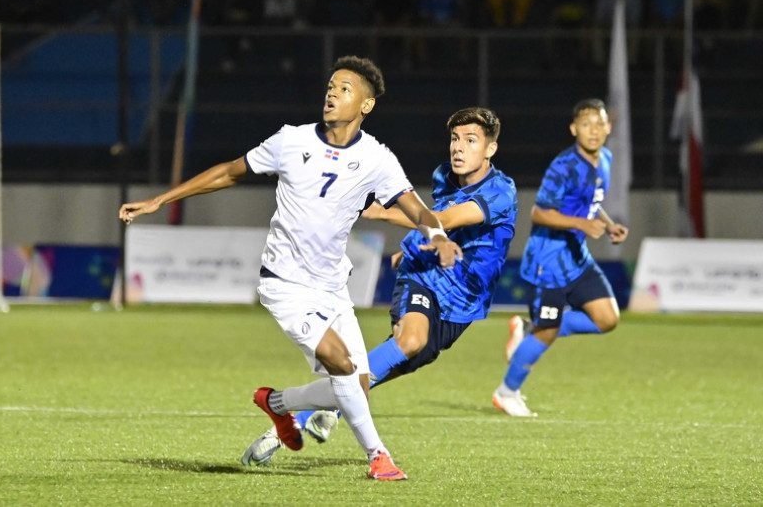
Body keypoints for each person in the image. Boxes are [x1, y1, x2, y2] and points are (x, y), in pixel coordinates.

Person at [118, 56, 462, 481]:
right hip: (285, 283)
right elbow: (229, 172)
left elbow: (418, 210)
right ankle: (379, 457)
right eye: (331, 86)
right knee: (340, 364)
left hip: (332, 285)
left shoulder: (377, 158)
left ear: (366, 105)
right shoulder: (291, 140)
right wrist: (159, 200)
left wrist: (440, 236)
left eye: (345, 89)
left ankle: (277, 404)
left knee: (360, 383)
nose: (332, 93)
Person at [241, 106, 518, 465]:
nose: (459, 148)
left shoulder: (501, 191)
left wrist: (383, 213)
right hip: (424, 277)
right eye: (454, 139)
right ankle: (312, 424)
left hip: (464, 302)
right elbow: (436, 224)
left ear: (490, 149)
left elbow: (447, 219)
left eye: (470, 140)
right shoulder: (445, 176)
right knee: (410, 340)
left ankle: (281, 404)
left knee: (369, 375)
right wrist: (420, 249)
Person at [492, 98, 629, 418]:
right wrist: (582, 224)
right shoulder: (564, 166)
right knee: (548, 332)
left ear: (609, 128)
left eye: (599, 124)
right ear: (573, 129)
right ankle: (507, 392)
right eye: (585, 124)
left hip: (576, 258)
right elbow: (539, 213)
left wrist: (608, 226)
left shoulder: (605, 159)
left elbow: (590, 202)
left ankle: (528, 329)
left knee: (607, 319)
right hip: (548, 262)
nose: (593, 131)